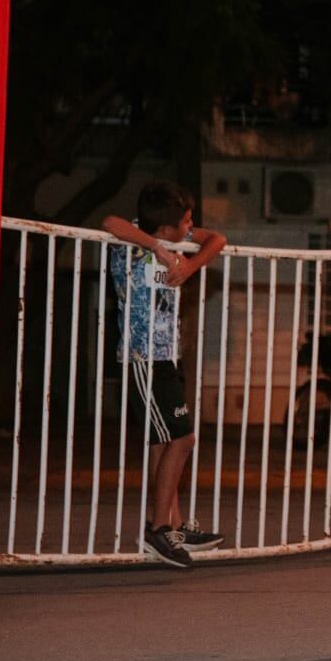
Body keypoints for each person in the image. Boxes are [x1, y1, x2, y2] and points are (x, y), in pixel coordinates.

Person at [103, 182, 228, 568]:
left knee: (164, 442)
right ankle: (159, 529)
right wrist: (157, 248)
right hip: (142, 359)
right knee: (183, 438)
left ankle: (172, 525)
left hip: (166, 357)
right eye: (186, 223)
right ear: (164, 231)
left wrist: (190, 264)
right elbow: (110, 221)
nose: (192, 227)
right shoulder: (135, 244)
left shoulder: (179, 237)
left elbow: (217, 238)